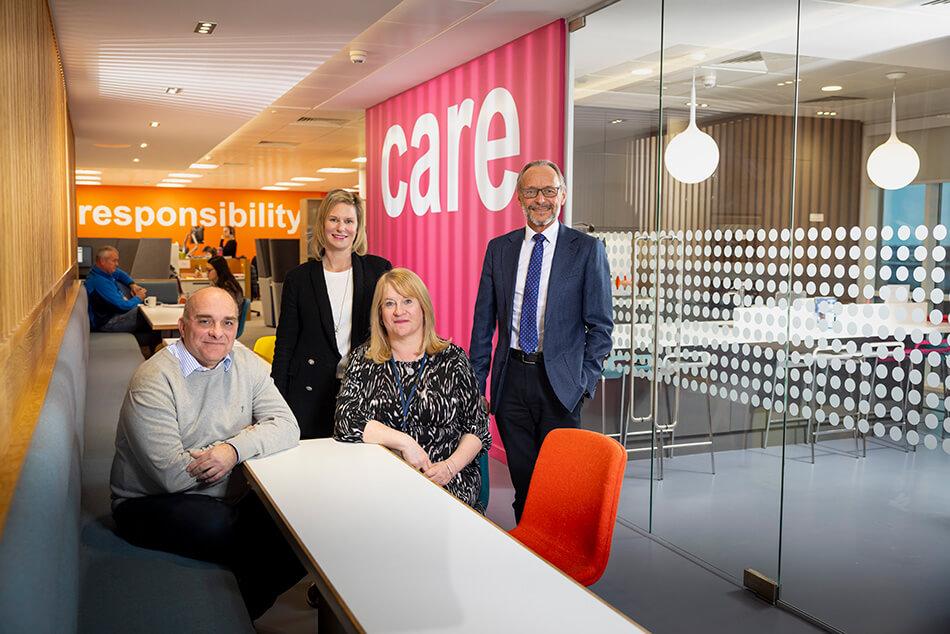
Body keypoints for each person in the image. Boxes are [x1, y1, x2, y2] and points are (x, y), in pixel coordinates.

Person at [110, 287, 304, 620]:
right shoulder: (153, 380)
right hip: (147, 502)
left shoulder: (246, 363)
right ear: (183, 326)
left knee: (303, 525)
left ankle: (240, 612)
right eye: (205, 321)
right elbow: (172, 474)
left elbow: (287, 426)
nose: (218, 332)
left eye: (228, 323)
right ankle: (220, 619)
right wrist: (250, 444)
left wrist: (232, 450)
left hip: (225, 492)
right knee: (240, 533)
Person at [469, 159, 613, 522]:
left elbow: (601, 327)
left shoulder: (586, 249)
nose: (540, 199)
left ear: (562, 196)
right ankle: (529, 551)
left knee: (558, 483)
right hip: (511, 383)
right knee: (523, 480)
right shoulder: (499, 249)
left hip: (561, 385)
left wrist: (584, 383)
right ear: (519, 198)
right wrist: (477, 385)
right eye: (531, 191)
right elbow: (483, 324)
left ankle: (554, 561)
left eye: (549, 191)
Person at [335, 268, 491, 510]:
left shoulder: (452, 359)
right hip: (380, 484)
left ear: (423, 308)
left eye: (408, 301)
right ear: (380, 313)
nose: (399, 311)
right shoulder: (363, 359)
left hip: (445, 482)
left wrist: (449, 467)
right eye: (389, 303)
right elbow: (345, 421)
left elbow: (478, 427)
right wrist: (405, 442)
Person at [272, 189, 391, 439]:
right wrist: (275, 402)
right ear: (322, 223)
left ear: (358, 228)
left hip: (362, 391)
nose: (341, 228)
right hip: (307, 391)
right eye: (334, 219)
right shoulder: (299, 278)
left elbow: (390, 333)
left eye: (349, 221)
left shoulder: (378, 270)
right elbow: (285, 345)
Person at [85, 246, 161, 354]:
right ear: (102, 261)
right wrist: (138, 297)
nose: (117, 264)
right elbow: (123, 306)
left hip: (114, 315)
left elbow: (120, 273)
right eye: (114, 260)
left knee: (150, 317)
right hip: (107, 323)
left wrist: (132, 285)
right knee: (149, 317)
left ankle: (153, 351)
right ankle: (155, 352)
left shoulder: (104, 272)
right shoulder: (99, 282)